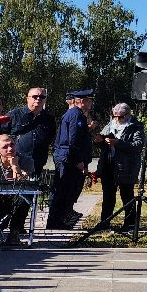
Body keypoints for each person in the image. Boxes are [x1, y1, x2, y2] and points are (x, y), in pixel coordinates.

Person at [46, 88, 96, 230]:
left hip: (68, 157)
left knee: (67, 190)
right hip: (68, 158)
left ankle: (60, 220)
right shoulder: (76, 115)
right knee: (63, 191)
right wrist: (78, 160)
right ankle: (56, 222)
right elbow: (73, 141)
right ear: (82, 101)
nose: (91, 104)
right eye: (89, 101)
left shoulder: (75, 114)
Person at [97, 103, 147, 232]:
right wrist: (99, 141)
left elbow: (138, 145)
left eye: (120, 117)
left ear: (128, 115)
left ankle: (130, 224)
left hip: (126, 167)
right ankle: (105, 222)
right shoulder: (110, 124)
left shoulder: (135, 126)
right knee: (108, 196)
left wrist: (118, 143)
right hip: (109, 165)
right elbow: (102, 140)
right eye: (114, 116)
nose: (117, 119)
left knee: (127, 195)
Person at [7, 87, 56, 174]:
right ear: (27, 98)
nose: (38, 99)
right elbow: (1, 136)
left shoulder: (49, 119)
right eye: (35, 96)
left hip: (38, 162)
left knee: (34, 183)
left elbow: (50, 138)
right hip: (16, 161)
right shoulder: (14, 115)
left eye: (42, 97)